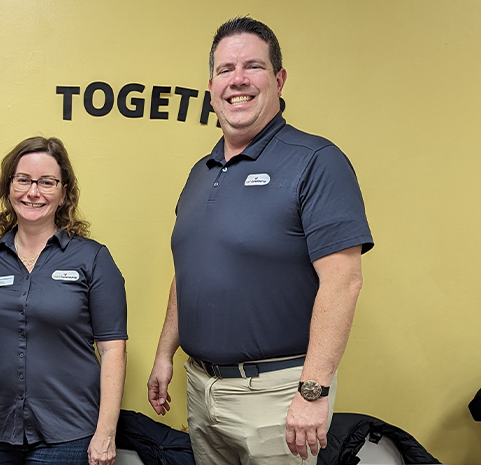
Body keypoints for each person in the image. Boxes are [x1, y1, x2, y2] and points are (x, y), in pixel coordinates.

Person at [146, 16, 373, 464]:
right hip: (202, 389)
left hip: (278, 396)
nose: (239, 80)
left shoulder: (316, 161)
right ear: (211, 85)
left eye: (253, 66)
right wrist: (164, 353)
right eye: (226, 69)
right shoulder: (199, 172)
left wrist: (313, 391)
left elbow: (343, 282)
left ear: (279, 79)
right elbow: (190, 272)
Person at [0, 137, 127, 465]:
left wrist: (105, 432)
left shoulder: (92, 259)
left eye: (47, 182)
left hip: (68, 433)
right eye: (23, 180)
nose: (32, 192)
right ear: (8, 187)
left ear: (64, 192)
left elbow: (113, 350)